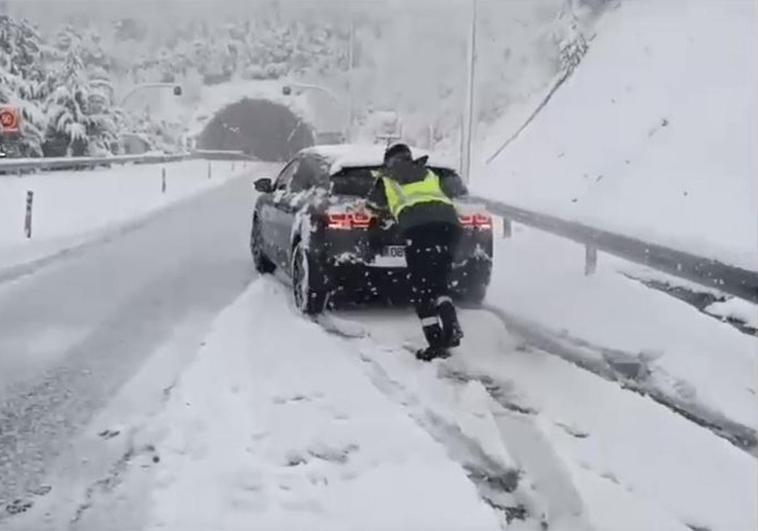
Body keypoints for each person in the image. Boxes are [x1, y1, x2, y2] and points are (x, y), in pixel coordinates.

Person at [368, 143, 463, 361]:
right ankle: (451, 324)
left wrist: (383, 220)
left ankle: (436, 342)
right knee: (439, 280)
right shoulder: (429, 173)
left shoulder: (387, 178)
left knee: (422, 287)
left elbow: (372, 205)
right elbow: (451, 193)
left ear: (388, 161)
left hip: (417, 229)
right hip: (449, 226)